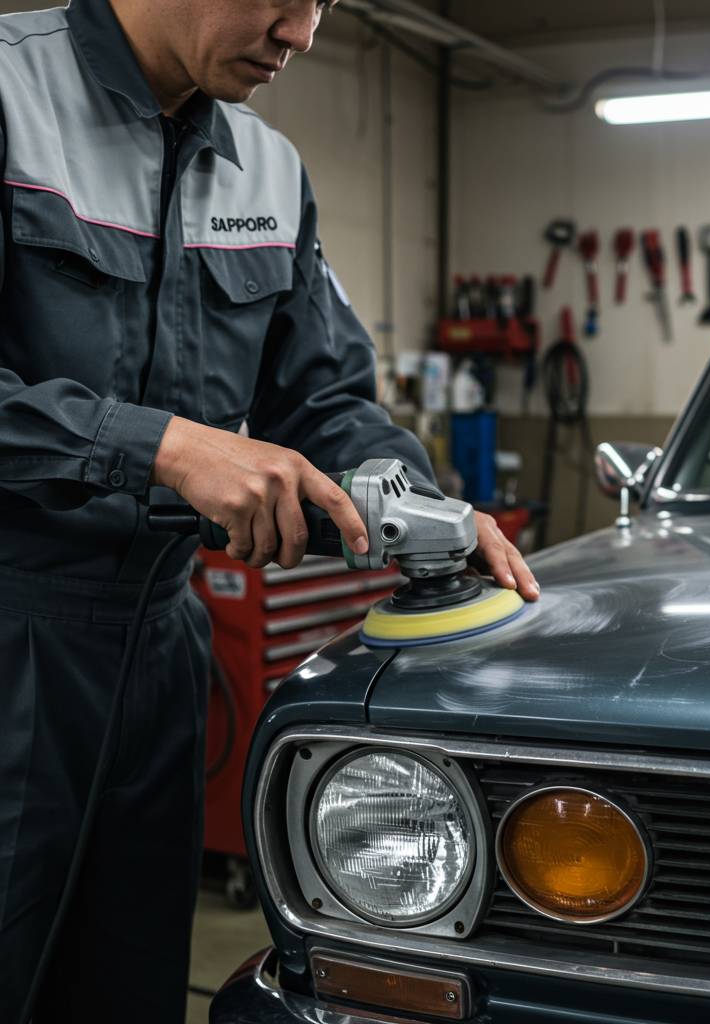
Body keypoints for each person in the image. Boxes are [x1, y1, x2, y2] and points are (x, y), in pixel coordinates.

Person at [0, 0, 539, 1020]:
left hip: (161, 649)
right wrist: (159, 444)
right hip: (11, 630)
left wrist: (424, 509)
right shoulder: (8, 96)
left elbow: (323, 400)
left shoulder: (268, 169)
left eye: (326, 2)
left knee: (128, 987)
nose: (303, 32)